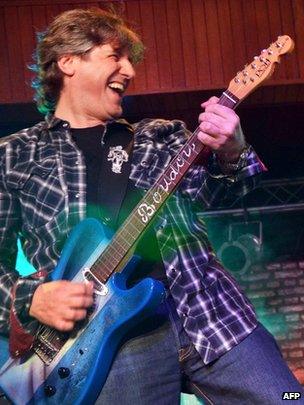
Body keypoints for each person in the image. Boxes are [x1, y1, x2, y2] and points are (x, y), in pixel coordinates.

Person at [0, 7, 303, 405]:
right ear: (68, 62)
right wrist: (30, 297)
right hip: (109, 338)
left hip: (211, 311)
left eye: (130, 60)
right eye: (115, 56)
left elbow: (223, 195)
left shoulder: (161, 135)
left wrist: (232, 150)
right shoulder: (13, 155)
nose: (129, 69)